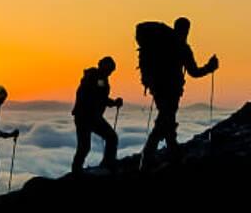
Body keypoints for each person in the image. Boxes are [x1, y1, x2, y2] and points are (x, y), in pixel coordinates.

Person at [140, 17, 219, 167]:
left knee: (166, 121)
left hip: (158, 90)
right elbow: (194, 72)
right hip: (172, 92)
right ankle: (149, 159)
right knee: (164, 122)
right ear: (187, 29)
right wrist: (210, 67)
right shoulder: (183, 48)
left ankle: (170, 155)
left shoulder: (162, 44)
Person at [71, 57, 123, 173]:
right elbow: (99, 96)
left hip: (86, 116)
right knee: (110, 138)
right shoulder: (98, 78)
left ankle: (77, 170)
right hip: (88, 117)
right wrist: (113, 102)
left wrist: (113, 102)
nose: (110, 73)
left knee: (85, 146)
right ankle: (107, 163)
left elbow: (99, 96)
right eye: (110, 70)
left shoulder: (96, 77)